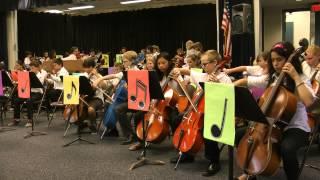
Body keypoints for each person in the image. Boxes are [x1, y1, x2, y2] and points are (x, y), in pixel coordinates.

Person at [234, 41, 316, 180]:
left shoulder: (302, 79)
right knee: (240, 135)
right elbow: (248, 81)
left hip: (296, 127)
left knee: (287, 148)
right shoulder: (272, 78)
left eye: (280, 59)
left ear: (289, 59)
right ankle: (249, 172)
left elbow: (309, 101)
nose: (276, 63)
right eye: (273, 60)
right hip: (272, 125)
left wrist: (295, 77)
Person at [170, 50, 232, 177]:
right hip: (200, 112)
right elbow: (190, 72)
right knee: (177, 120)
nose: (202, 67)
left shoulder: (225, 79)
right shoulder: (203, 76)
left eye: (205, 64)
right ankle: (187, 153)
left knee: (207, 130)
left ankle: (214, 161)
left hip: (217, 114)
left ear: (215, 63)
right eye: (202, 64)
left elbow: (228, 101)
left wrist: (217, 85)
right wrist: (179, 71)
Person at [8, 61, 46, 127]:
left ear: (37, 68)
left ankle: (30, 120)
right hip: (29, 92)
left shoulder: (40, 76)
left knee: (29, 100)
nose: (31, 70)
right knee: (16, 100)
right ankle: (16, 119)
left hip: (38, 93)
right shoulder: (28, 74)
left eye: (33, 68)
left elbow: (39, 85)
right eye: (30, 68)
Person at [81, 57, 106, 134]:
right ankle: (82, 123)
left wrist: (96, 75)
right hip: (86, 97)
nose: (84, 70)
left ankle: (93, 125)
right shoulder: (84, 75)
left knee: (91, 109)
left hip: (96, 98)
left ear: (91, 67)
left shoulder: (98, 76)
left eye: (86, 68)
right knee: (78, 110)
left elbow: (104, 86)